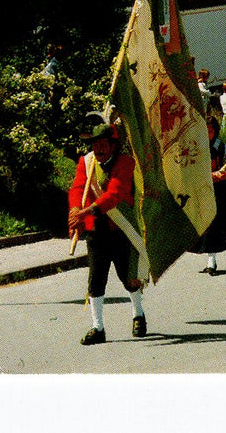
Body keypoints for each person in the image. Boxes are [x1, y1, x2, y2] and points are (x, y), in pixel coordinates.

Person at [68, 120, 147, 345]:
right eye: (95, 145)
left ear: (112, 145)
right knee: (96, 280)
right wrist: (75, 210)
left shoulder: (125, 162)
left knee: (129, 278)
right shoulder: (86, 162)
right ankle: (98, 328)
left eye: (103, 144)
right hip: (96, 229)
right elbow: (77, 188)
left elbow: (115, 193)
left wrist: (86, 210)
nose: (99, 149)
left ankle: (138, 314)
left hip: (121, 228)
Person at [190, 115, 226, 274]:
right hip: (201, 190)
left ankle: (212, 261)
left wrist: (211, 176)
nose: (208, 133)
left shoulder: (222, 147)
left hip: (218, 191)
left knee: (215, 225)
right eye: (205, 130)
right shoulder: (197, 147)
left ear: (215, 131)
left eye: (210, 131)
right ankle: (209, 258)